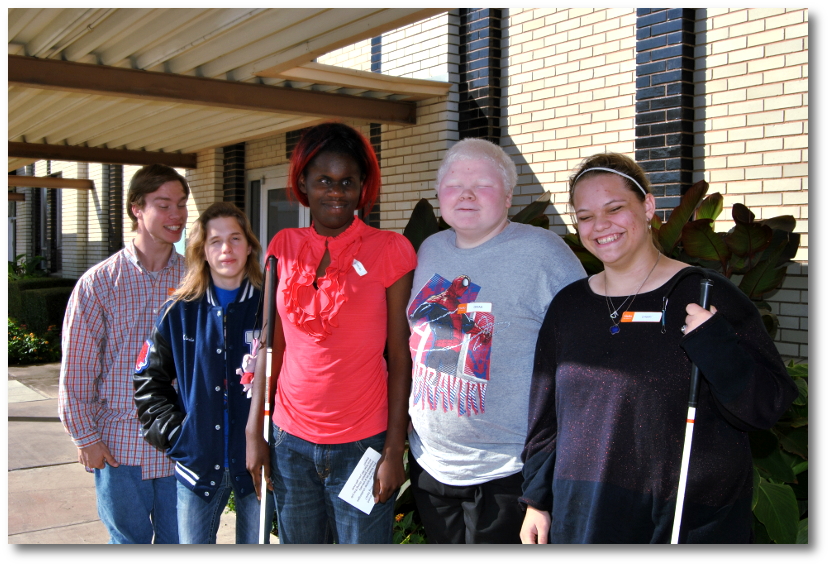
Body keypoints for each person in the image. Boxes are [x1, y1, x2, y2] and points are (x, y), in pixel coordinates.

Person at [519, 153, 798, 544]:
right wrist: (537, 500)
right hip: (584, 517)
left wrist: (717, 347)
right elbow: (546, 417)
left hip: (685, 521)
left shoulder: (706, 296)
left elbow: (766, 407)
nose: (600, 226)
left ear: (648, 206)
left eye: (615, 208)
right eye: (585, 216)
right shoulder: (568, 307)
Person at [405, 138, 586, 543]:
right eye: (454, 184)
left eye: (483, 184)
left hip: (507, 470)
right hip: (431, 463)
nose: (466, 193)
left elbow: (584, 348)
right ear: (438, 194)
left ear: (507, 196)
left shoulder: (542, 252)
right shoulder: (430, 249)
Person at [245, 122, 416, 544]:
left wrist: (394, 449)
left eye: (347, 182)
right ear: (303, 181)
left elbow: (400, 355)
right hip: (289, 442)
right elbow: (271, 346)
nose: (335, 192)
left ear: (362, 187)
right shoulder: (281, 247)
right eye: (324, 180)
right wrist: (255, 432)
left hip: (363, 444)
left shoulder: (390, 250)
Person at [58, 163, 189, 544]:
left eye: (181, 204)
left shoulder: (195, 280)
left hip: (179, 446)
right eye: (163, 205)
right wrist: (86, 438)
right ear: (137, 208)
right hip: (118, 448)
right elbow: (78, 370)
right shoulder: (98, 284)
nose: (176, 215)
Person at [133, 202, 275, 544]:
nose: (226, 249)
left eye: (235, 238)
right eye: (215, 241)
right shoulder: (177, 311)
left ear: (250, 246)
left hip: (257, 465)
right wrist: (179, 436)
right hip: (197, 467)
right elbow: (147, 381)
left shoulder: (271, 306)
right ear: (202, 251)